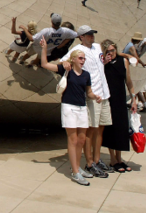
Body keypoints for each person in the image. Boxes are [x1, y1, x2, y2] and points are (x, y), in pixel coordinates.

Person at [39, 37, 100, 186]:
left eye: (84, 58)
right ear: (73, 59)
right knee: (73, 140)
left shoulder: (86, 75)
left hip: (81, 108)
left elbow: (89, 92)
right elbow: (44, 64)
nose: (83, 60)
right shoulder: (66, 69)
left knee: (81, 140)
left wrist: (95, 97)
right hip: (69, 108)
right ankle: (75, 172)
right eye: (80, 58)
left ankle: (77, 167)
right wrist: (44, 48)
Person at [61, 25, 112, 178]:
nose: (91, 36)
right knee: (91, 129)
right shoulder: (76, 50)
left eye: (92, 34)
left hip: (104, 93)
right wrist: (65, 64)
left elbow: (102, 61)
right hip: (92, 94)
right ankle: (89, 162)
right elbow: (64, 61)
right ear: (81, 37)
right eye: (88, 35)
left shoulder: (97, 47)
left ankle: (96, 159)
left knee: (100, 128)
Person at [100, 40, 138, 172]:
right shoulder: (103, 63)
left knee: (121, 129)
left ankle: (120, 158)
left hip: (120, 99)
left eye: (113, 50)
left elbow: (129, 81)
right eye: (108, 51)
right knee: (111, 129)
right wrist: (104, 63)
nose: (111, 53)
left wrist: (133, 99)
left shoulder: (124, 61)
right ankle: (113, 159)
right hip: (108, 99)